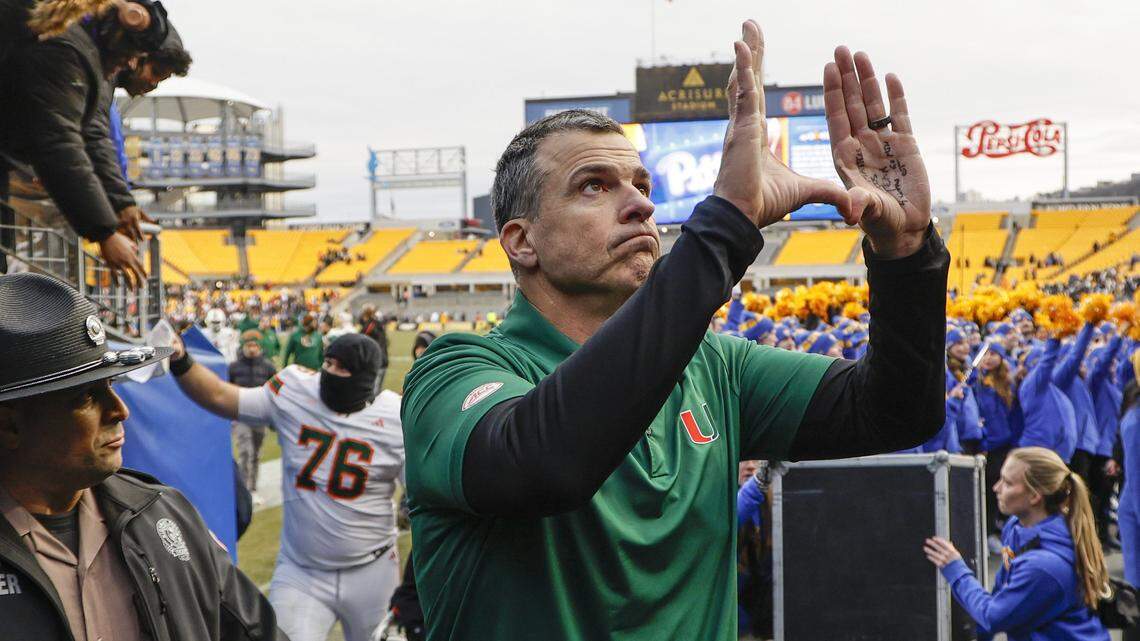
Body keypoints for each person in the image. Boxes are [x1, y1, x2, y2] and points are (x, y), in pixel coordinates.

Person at [401, 22, 947, 640]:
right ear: (521, 241)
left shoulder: (716, 367)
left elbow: (897, 411)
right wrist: (726, 226)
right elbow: (543, 463)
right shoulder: (454, 372)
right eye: (593, 187)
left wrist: (906, 255)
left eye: (640, 184)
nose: (639, 205)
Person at [0, 272, 284, 640]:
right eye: (86, 397)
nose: (119, 410)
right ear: (9, 426)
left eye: (111, 387)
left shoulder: (164, 515)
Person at [167, 332, 405, 641]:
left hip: (372, 571)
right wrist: (181, 360)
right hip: (302, 571)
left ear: (365, 378)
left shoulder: (394, 417)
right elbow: (221, 397)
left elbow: (422, 495)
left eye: (341, 368)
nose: (330, 373)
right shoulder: (295, 388)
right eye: (328, 363)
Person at [0, 0, 168, 286]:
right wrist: (104, 231)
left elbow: (86, 132)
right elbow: (59, 142)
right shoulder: (66, 51)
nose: (129, 64)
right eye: (132, 53)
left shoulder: (75, 47)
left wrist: (119, 201)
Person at [924, 447, 1111, 641]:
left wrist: (956, 569)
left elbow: (993, 616)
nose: (996, 488)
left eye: (1008, 483)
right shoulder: (1016, 528)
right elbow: (1000, 595)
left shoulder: (1045, 566)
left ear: (1034, 496)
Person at [228, 330, 277, 501]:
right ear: (244, 346)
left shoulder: (268, 366)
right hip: (240, 415)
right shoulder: (234, 367)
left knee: (255, 454)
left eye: (255, 345)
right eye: (249, 345)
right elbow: (226, 390)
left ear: (259, 346)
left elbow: (276, 391)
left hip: (260, 417)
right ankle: (244, 492)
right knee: (245, 452)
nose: (252, 349)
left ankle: (253, 488)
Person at [359, 304, 390, 388]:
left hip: (374, 362)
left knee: (372, 392)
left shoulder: (369, 326)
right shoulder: (378, 324)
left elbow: (361, 342)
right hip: (383, 360)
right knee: (376, 389)